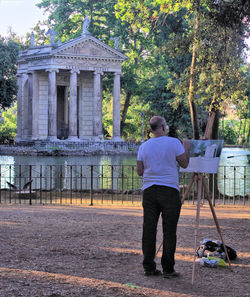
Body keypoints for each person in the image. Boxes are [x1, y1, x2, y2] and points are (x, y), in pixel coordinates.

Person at [136, 116, 190, 278]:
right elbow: (184, 163)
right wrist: (186, 147)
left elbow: (140, 171)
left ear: (151, 130)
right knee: (169, 230)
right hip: (169, 191)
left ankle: (149, 267)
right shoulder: (174, 142)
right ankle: (168, 268)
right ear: (164, 127)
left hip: (149, 191)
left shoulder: (144, 146)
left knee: (149, 229)